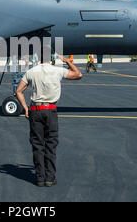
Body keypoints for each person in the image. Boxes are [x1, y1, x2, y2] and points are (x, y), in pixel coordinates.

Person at [15, 51, 83, 187]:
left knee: (37, 145)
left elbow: (19, 91)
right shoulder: (58, 71)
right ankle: (50, 178)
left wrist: (25, 108)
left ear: (38, 59)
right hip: (50, 110)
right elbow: (78, 74)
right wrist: (68, 61)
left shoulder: (31, 72)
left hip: (35, 110)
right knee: (51, 144)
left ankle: (40, 178)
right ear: (51, 59)